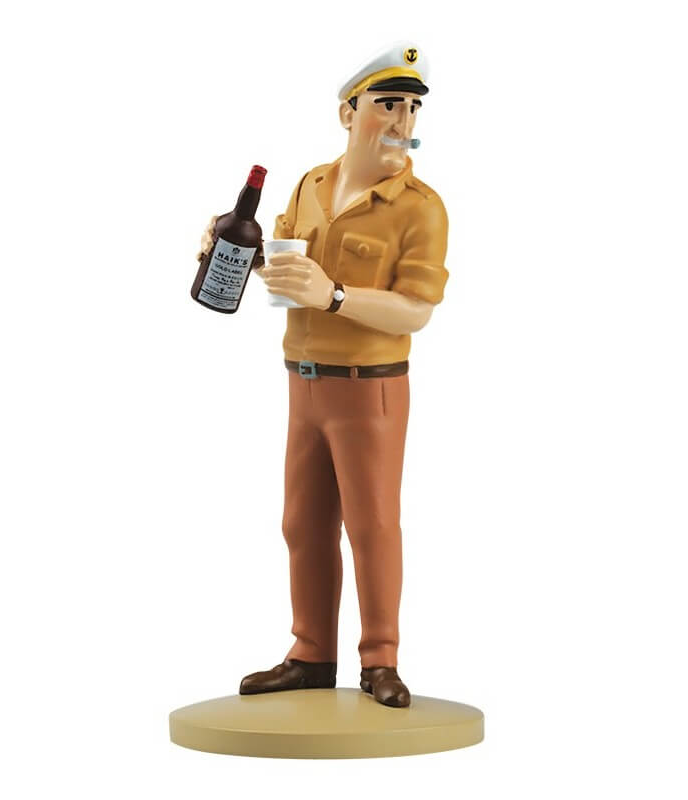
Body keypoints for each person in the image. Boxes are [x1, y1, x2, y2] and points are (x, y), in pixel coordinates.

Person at [197, 42, 449, 707]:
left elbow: (417, 309)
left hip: (370, 389)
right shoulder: (310, 185)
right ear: (349, 113)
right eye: (387, 105)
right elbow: (285, 266)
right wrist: (232, 254)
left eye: (412, 107)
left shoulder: (419, 208)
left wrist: (334, 297)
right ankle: (311, 653)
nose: (402, 122)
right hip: (303, 383)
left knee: (372, 526)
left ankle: (380, 659)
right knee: (303, 523)